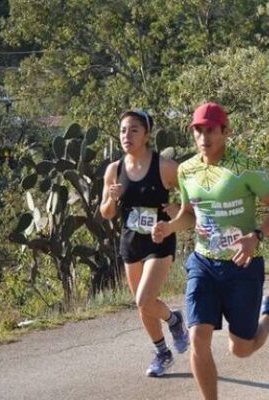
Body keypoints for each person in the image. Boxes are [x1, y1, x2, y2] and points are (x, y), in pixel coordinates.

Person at [152, 103, 269, 400]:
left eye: (211, 130)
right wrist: (171, 226)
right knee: (197, 338)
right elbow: (191, 215)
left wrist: (255, 236)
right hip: (203, 264)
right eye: (199, 130)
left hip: (243, 267)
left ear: (225, 132)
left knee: (240, 349)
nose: (204, 137)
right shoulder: (187, 170)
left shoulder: (245, 169)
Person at [100, 110, 189, 377]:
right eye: (123, 130)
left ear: (147, 135)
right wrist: (112, 198)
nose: (127, 136)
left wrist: (178, 208)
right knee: (143, 304)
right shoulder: (114, 170)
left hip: (159, 240)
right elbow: (106, 213)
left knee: (143, 298)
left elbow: (192, 195)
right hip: (131, 242)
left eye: (134, 130)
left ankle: (174, 322)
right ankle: (163, 350)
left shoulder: (164, 166)